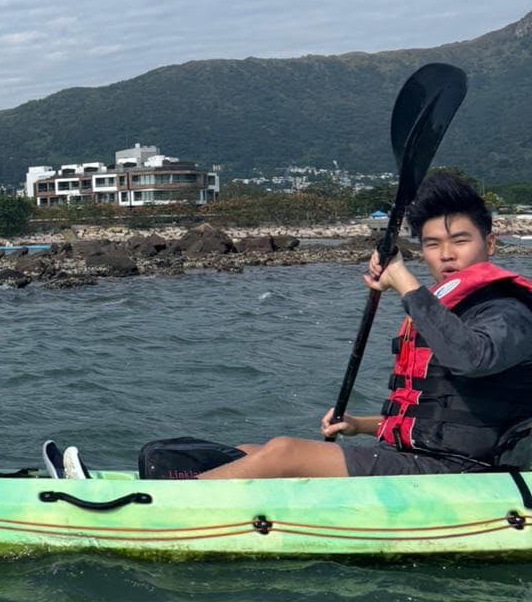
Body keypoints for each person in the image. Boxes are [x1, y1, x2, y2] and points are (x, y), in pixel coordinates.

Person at [197, 173, 532, 479]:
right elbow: (430, 419)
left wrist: (401, 277)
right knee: (250, 451)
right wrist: (359, 425)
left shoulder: (509, 310)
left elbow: (471, 358)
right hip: (411, 456)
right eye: (432, 244)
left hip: (459, 473)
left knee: (284, 453)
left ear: (489, 244)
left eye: (460, 241)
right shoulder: (440, 310)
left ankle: (162, 516)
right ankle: (185, 489)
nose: (446, 255)